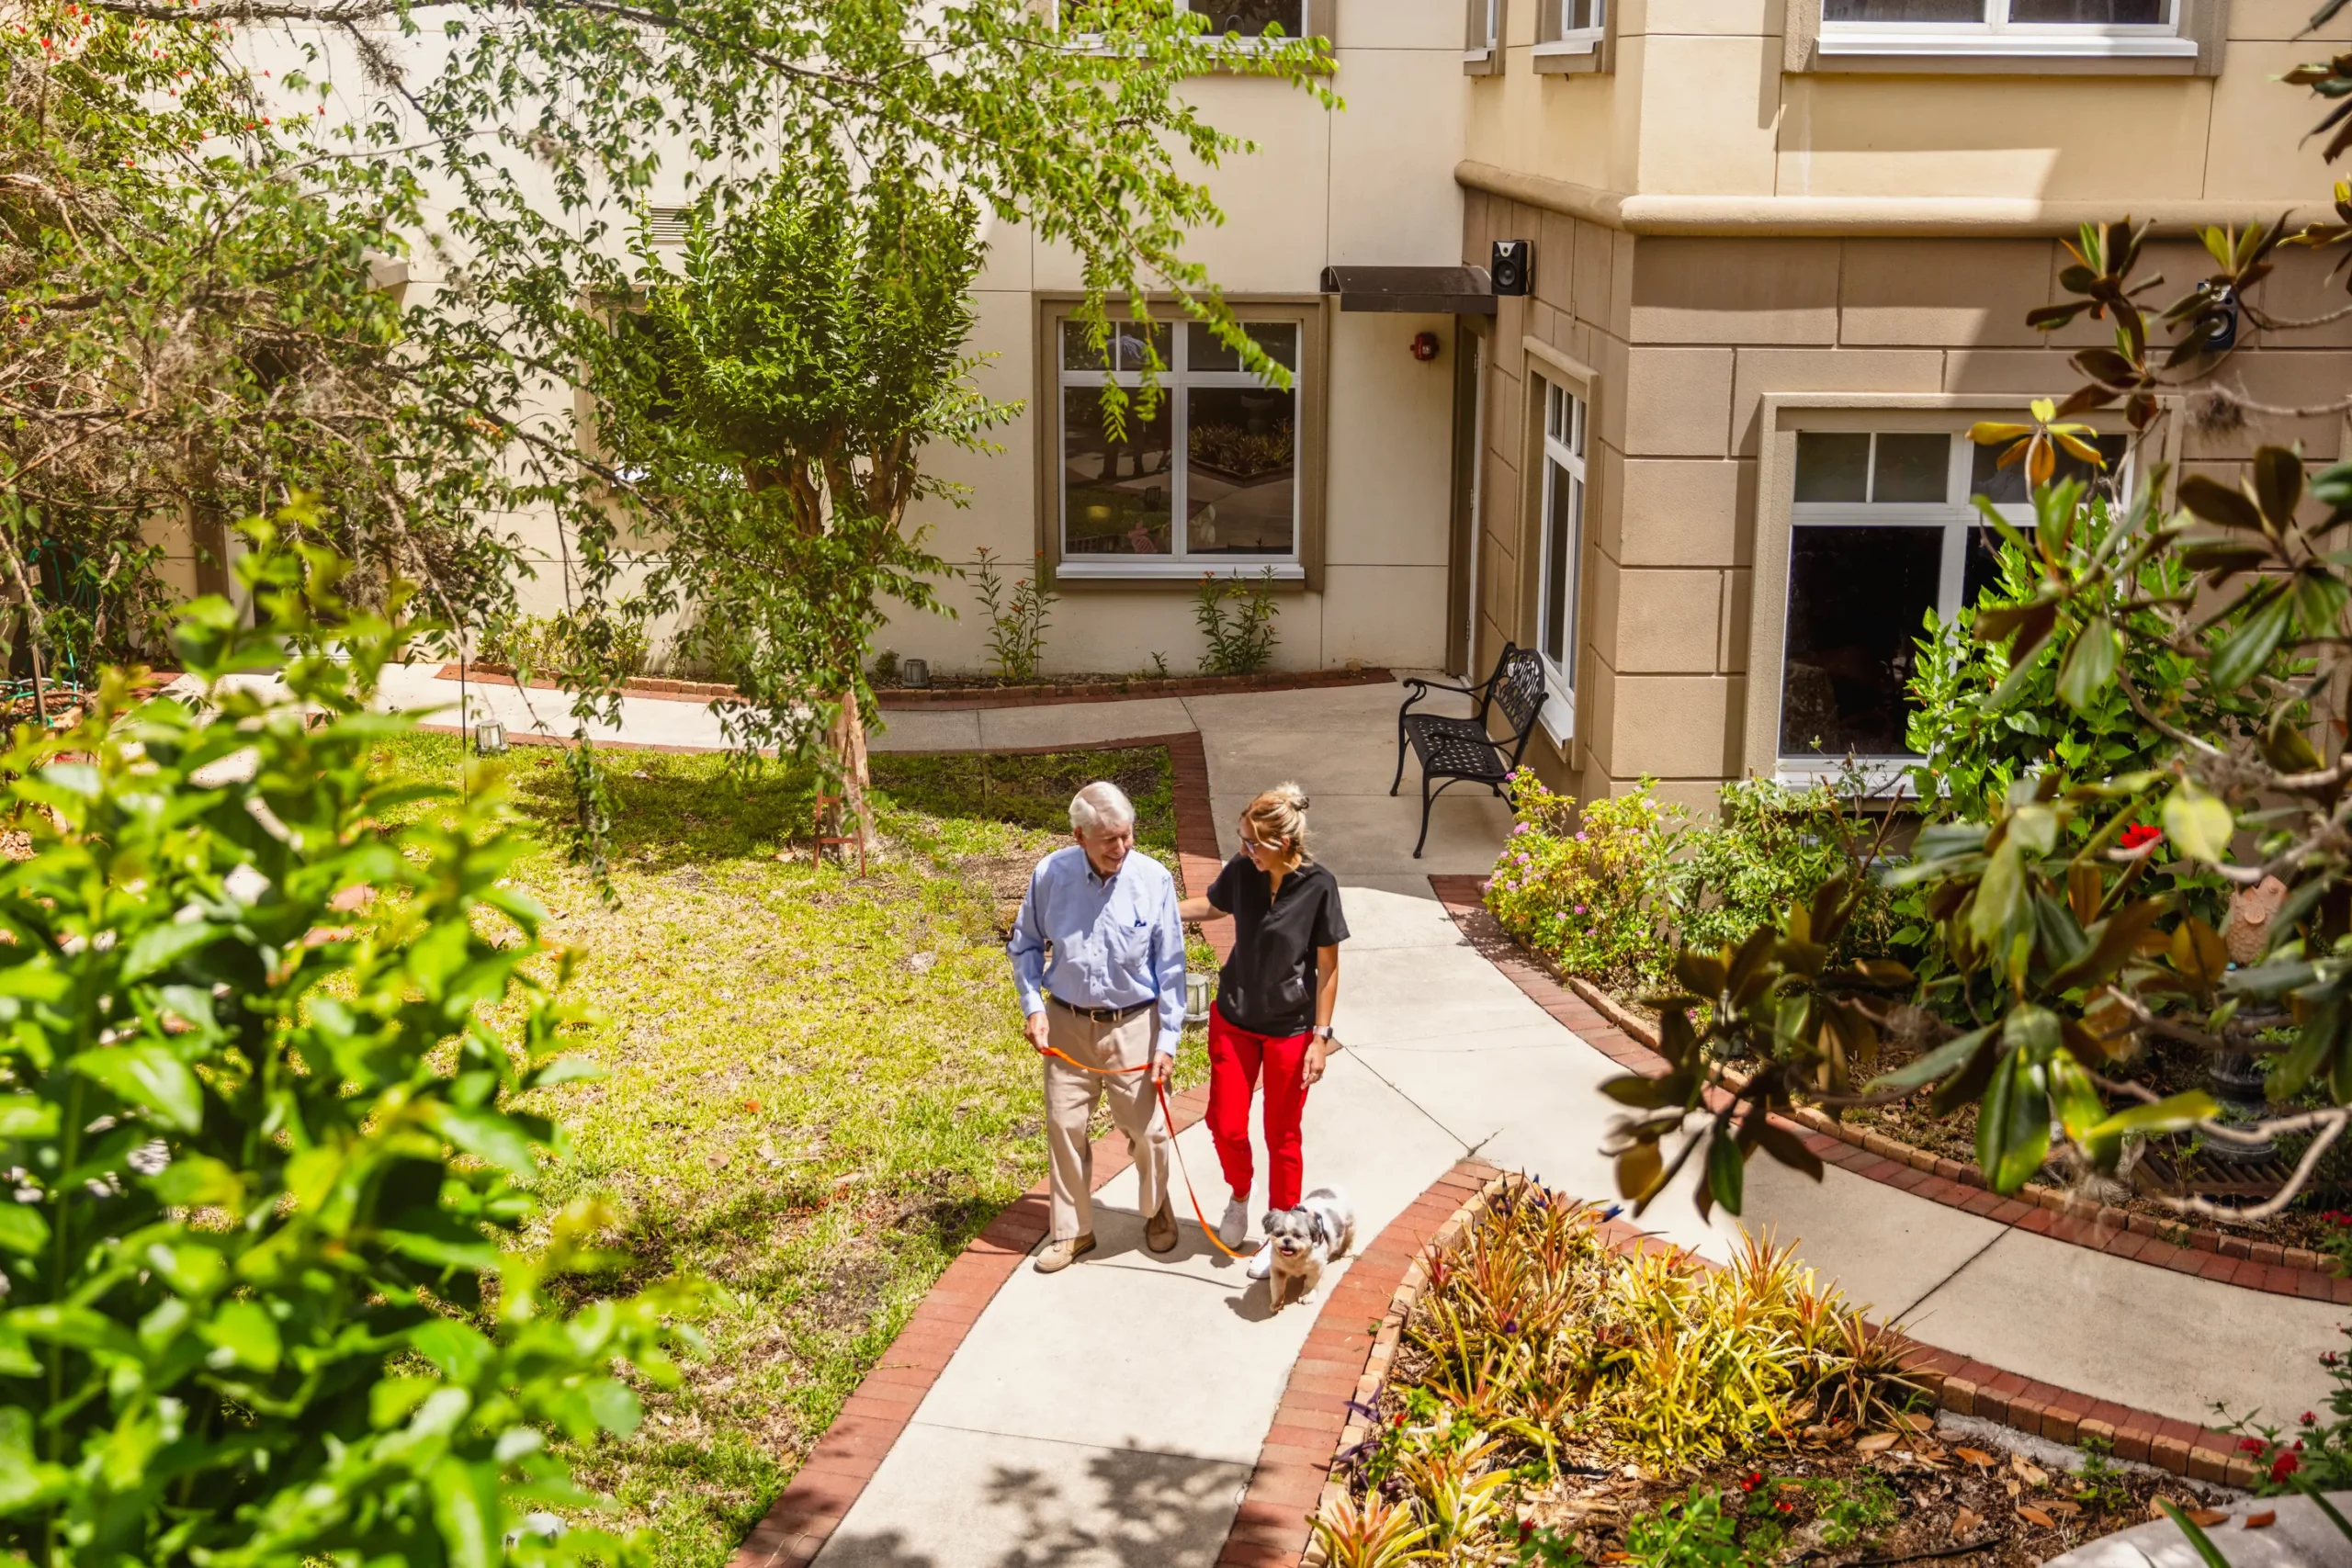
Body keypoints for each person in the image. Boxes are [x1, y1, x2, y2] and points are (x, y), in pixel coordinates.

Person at [1007, 780, 1186, 1274]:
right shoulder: (1050, 875)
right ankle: (1074, 1231)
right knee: (1065, 1129)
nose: (1121, 848)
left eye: (1126, 836)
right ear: (1078, 836)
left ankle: (1156, 1207)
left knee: (1147, 1133)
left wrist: (1168, 1040)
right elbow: (1024, 945)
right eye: (1109, 838)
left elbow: (1171, 966)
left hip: (1135, 1024)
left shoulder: (1153, 879)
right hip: (1067, 1022)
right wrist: (1033, 1007)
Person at [1176, 782, 1348, 1281]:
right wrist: (1156, 910)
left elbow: (1329, 967)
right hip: (1234, 1018)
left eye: (1253, 842)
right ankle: (1239, 1195)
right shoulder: (1242, 872)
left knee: (1282, 1134)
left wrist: (1321, 1036)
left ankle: (1281, 1235)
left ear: (1285, 843)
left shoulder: (1319, 887)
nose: (1243, 850)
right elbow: (1212, 906)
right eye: (1242, 839)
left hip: (1290, 1030)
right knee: (1225, 1123)